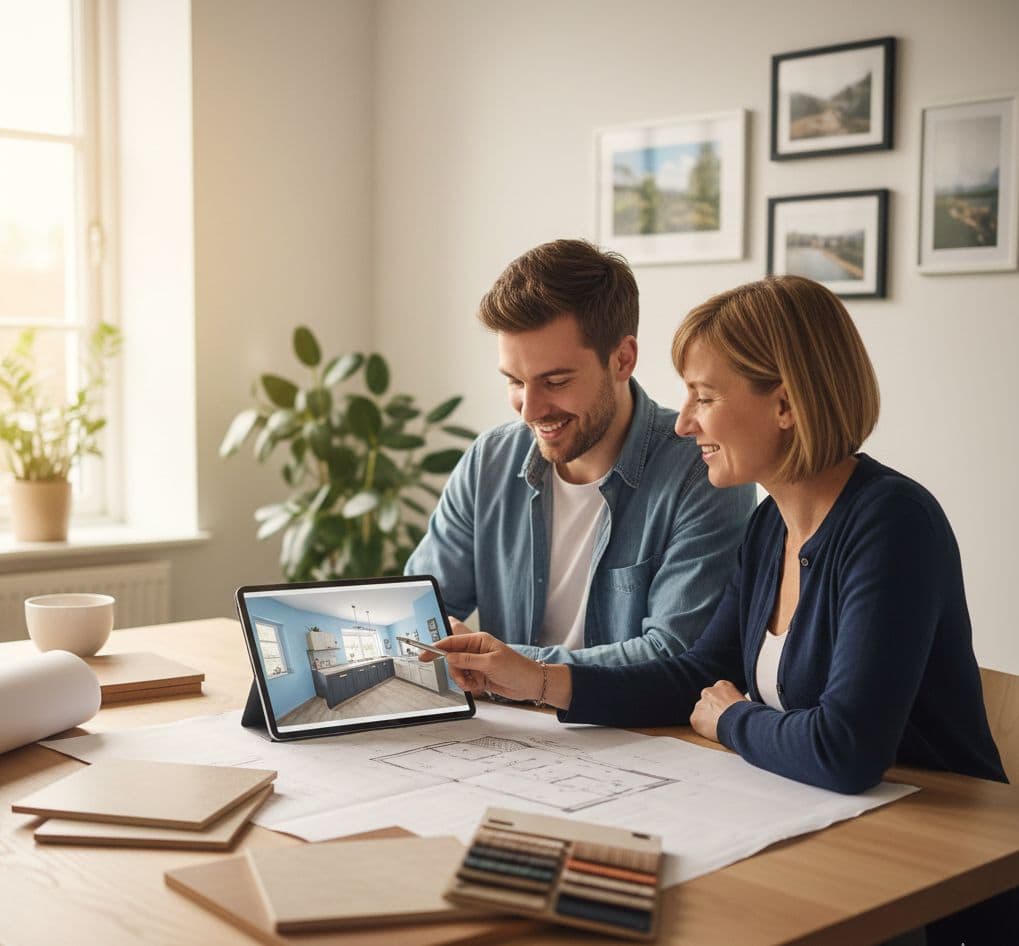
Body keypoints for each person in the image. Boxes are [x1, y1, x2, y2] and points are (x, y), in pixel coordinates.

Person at [427, 274, 1012, 943]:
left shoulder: (891, 523)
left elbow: (845, 749)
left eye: (703, 397)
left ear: (784, 405)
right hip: (829, 829)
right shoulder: (771, 527)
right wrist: (536, 680)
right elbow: (695, 676)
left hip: (936, 877)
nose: (684, 422)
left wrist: (732, 719)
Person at [406, 239, 755, 665]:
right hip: (498, 708)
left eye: (555, 382)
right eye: (515, 381)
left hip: (628, 715)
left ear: (622, 359)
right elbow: (419, 614)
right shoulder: (489, 462)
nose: (529, 411)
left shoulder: (702, 469)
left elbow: (675, 656)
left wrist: (508, 666)